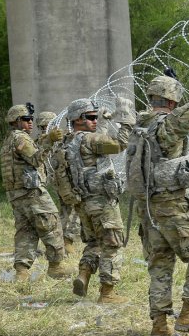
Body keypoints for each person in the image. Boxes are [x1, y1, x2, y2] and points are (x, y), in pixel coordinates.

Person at [124, 55, 189, 336]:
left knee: (160, 265)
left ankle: (160, 324)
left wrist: (172, 81)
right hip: (173, 205)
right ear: (174, 102)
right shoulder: (170, 124)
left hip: (147, 209)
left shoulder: (138, 126)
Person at [53, 98, 134, 303]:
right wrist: (125, 119)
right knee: (112, 244)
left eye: (95, 117)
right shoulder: (89, 140)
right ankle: (107, 293)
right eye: (90, 118)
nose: (94, 121)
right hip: (102, 203)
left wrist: (105, 123)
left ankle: (84, 274)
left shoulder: (65, 143)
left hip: (82, 204)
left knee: (94, 243)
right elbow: (118, 144)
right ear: (77, 120)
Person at [0, 103, 74, 281]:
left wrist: (46, 139)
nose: (30, 122)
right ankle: (57, 265)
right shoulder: (20, 138)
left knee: (26, 231)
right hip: (31, 193)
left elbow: (31, 150)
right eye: (26, 120)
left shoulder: (9, 140)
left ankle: (22, 271)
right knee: (51, 223)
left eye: (31, 119)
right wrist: (50, 140)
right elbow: (35, 158)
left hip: (16, 195)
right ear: (17, 121)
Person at [35, 110, 82, 255]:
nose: (47, 129)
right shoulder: (40, 143)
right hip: (49, 182)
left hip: (61, 180)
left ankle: (64, 241)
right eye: (44, 127)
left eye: (49, 125)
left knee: (69, 209)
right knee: (66, 211)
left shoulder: (60, 140)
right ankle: (63, 241)